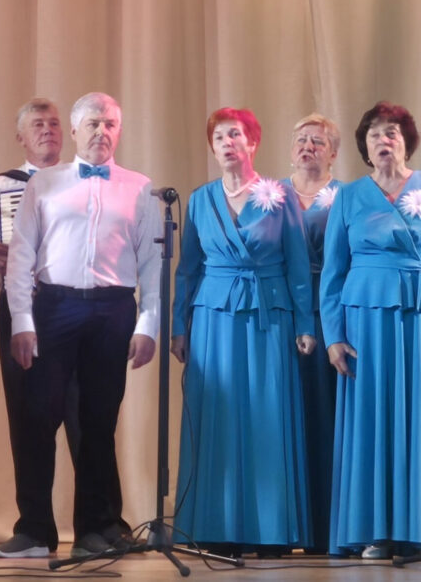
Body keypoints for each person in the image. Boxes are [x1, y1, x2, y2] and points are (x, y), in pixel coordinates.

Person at [320, 101, 421, 559]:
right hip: (365, 325)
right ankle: (376, 530)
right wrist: (333, 335)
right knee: (372, 422)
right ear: (365, 147)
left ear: (406, 141)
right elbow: (332, 271)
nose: (383, 140)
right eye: (374, 134)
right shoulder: (349, 195)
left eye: (391, 132)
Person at [4, 92, 158, 559]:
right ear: (74, 131)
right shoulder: (44, 183)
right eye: (93, 123)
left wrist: (148, 324)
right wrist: (21, 319)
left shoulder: (139, 187)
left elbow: (152, 263)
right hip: (54, 306)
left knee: (98, 421)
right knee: (38, 418)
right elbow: (21, 255)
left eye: (110, 124)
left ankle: (94, 528)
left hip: (113, 310)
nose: (102, 131)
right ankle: (34, 530)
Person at [170, 108, 316, 556]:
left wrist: (305, 322)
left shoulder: (280, 196)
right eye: (219, 137)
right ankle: (215, 528)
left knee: (266, 415)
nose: (227, 143)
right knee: (217, 417)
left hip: (269, 315)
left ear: (253, 142)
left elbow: (298, 265)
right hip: (213, 318)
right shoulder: (200, 199)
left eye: (235, 134)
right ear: (212, 148)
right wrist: (179, 326)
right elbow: (187, 269)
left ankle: (271, 531)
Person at [0, 98, 81, 559]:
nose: (47, 130)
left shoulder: (83, 179)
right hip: (22, 308)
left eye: (54, 123)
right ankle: (35, 528)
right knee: (28, 418)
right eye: (37, 124)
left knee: (86, 416)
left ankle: (99, 525)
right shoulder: (2, 187)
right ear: (20, 136)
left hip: (74, 308)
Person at [281, 112, 343, 553]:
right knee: (282, 415)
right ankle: (283, 527)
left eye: (318, 141)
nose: (308, 147)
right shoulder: (268, 194)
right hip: (278, 311)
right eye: (302, 140)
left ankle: (324, 528)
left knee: (323, 414)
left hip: (327, 310)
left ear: (333, 153)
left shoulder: (346, 197)